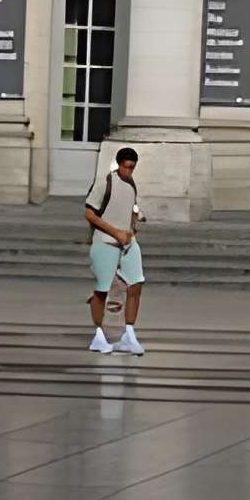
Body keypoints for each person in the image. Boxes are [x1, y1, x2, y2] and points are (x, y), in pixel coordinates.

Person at [85, 147, 145, 355]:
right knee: (102, 289)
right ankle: (99, 335)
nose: (129, 171)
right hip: (105, 242)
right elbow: (90, 214)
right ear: (119, 164)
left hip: (128, 242)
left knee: (136, 284)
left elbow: (131, 209)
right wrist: (116, 232)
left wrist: (131, 226)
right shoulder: (105, 183)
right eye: (126, 167)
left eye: (132, 167)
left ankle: (128, 333)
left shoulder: (131, 185)